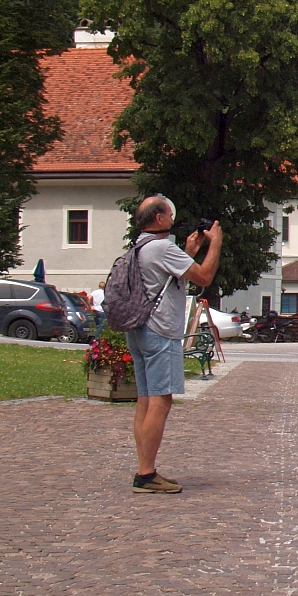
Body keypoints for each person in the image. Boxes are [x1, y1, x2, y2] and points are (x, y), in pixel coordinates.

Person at [122, 196, 222, 493]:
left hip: (138, 329)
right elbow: (203, 276)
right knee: (161, 400)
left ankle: (145, 468)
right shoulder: (163, 247)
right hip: (160, 331)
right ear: (159, 219)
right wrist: (214, 244)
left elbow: (169, 278)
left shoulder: (139, 247)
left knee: (145, 398)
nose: (172, 218)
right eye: (169, 213)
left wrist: (189, 252)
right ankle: (146, 474)